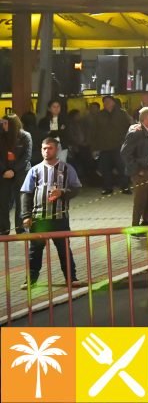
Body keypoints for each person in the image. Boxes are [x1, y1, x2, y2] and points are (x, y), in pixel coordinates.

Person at [19, 137, 84, 289]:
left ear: (57, 150)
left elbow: (76, 189)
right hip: (39, 218)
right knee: (35, 251)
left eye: (50, 148)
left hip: (60, 217)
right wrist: (26, 216)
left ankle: (71, 278)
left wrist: (62, 192)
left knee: (64, 249)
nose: (46, 151)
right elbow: (26, 194)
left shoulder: (67, 168)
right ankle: (31, 280)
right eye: (44, 148)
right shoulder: (35, 170)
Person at [1, 113, 33, 235]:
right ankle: (3, 228)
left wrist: (13, 170)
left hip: (21, 172)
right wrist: (4, 170)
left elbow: (26, 157)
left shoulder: (25, 136)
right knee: (3, 201)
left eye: (5, 123)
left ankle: (21, 228)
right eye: (2, 123)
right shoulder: (1, 136)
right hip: (4, 173)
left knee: (21, 201)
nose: (3, 125)